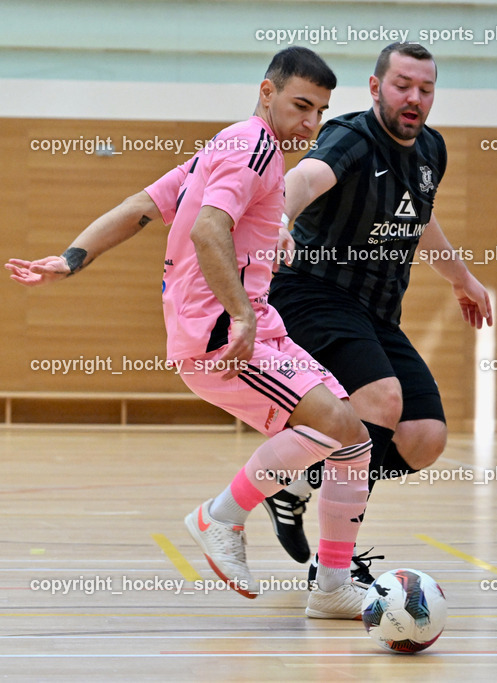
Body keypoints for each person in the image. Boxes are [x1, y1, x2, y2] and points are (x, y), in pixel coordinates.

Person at [6, 47, 373, 619]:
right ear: (267, 92)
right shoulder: (252, 146)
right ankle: (221, 516)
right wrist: (242, 315)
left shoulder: (226, 147)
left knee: (352, 438)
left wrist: (71, 258)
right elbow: (207, 230)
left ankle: (331, 586)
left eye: (321, 111)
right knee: (334, 426)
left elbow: (140, 207)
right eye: (301, 105)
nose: (311, 123)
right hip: (222, 335)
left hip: (252, 327)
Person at [259, 41, 492, 583]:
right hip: (313, 292)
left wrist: (462, 278)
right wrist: (279, 221)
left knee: (423, 436)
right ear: (375, 87)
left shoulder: (431, 149)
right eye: (402, 86)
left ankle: (297, 481)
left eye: (426, 89)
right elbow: (304, 179)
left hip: (377, 312)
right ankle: (334, 566)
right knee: (381, 399)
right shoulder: (351, 136)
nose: (414, 98)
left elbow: (419, 219)